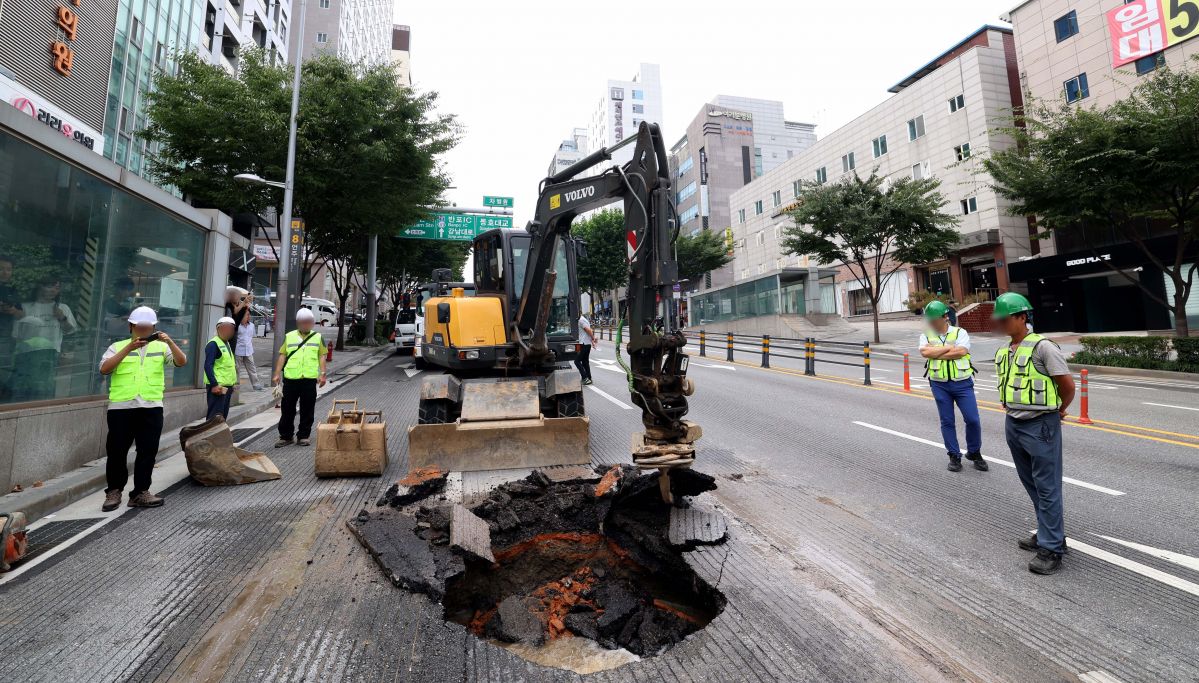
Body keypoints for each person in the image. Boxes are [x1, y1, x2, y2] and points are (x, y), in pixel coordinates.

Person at [992, 292, 1076, 576]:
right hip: (1013, 423)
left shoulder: (1044, 348)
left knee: (1047, 487)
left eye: (1005, 319)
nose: (1001, 323)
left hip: (1041, 424)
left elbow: (1067, 386)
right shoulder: (1005, 350)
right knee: (1032, 484)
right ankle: (1049, 534)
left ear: (1021, 317)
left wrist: (1059, 411)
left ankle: (1052, 548)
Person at [98, 306, 187, 511]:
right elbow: (104, 369)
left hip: (151, 406)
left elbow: (181, 362)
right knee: (117, 452)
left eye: (147, 328)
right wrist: (128, 349)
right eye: (139, 327)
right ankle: (114, 491)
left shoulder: (162, 347)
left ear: (154, 328)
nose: (143, 331)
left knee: (147, 451)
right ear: (130, 327)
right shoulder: (117, 347)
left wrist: (170, 342)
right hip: (121, 407)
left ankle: (140, 492)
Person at [919, 300, 985, 473]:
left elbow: (962, 351)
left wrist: (936, 352)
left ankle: (974, 451)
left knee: (973, 419)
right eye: (929, 319)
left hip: (963, 383)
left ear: (944, 317)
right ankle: (954, 455)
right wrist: (949, 348)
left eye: (934, 319)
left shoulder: (960, 332)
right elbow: (925, 352)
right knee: (947, 421)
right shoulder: (925, 335)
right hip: (939, 384)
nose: (931, 322)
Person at [11, 277, 76, 402]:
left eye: (56, 288)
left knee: (44, 389)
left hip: (50, 352)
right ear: (39, 287)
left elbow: (69, 330)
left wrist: (62, 317)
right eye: (50, 286)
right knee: (21, 388)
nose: (53, 291)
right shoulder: (25, 307)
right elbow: (16, 333)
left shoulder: (62, 307)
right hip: (26, 352)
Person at [273, 307, 327, 447]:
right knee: (287, 409)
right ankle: (286, 436)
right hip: (291, 379)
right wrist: (277, 374)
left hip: (309, 379)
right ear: (298, 322)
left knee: (307, 409)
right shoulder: (289, 336)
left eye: (309, 321)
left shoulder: (318, 337)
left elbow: (321, 356)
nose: (306, 324)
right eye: (303, 322)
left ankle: (303, 436)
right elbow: (283, 355)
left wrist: (323, 374)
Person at [204, 317, 238, 421]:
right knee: (215, 417)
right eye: (225, 328)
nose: (228, 331)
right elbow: (208, 365)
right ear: (218, 329)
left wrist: (232, 383)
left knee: (222, 416)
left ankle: (219, 436)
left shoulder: (226, 343)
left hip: (226, 386)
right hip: (218, 387)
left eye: (230, 328)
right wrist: (214, 385)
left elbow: (228, 365)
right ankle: (210, 437)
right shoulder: (214, 344)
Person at [0, 256, 24, 401]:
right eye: (1, 269)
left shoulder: (11, 290)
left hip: (6, 336)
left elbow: (20, 314)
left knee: (4, 367)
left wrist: (13, 311)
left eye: (9, 269)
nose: (5, 272)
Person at [235, 313, 263, 391]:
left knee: (252, 368)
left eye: (248, 315)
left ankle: (256, 385)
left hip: (249, 350)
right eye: (245, 315)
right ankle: (235, 385)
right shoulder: (237, 325)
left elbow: (251, 336)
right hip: (238, 350)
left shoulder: (252, 325)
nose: (247, 316)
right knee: (236, 368)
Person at [576, 314, 597, 386]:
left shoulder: (581, 320)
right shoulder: (584, 319)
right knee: (585, 362)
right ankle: (589, 378)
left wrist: (593, 338)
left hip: (584, 344)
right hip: (587, 344)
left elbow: (588, 330)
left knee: (577, 361)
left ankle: (585, 378)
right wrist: (592, 340)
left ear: (579, 313)